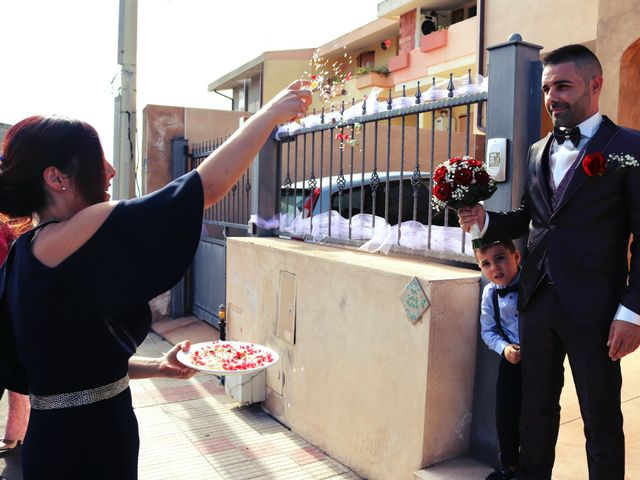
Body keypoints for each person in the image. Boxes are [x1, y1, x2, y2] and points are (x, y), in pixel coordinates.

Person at [0, 80, 310, 479]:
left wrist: (158, 367)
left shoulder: (29, 253)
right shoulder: (75, 232)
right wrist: (268, 116)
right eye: (97, 161)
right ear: (57, 179)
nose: (110, 171)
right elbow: (205, 187)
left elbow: (77, 368)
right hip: (84, 446)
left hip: (70, 437)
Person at [458, 44, 640, 480]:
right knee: (534, 411)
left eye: (562, 86)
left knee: (600, 416)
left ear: (595, 85)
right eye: (545, 88)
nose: (551, 97)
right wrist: (486, 219)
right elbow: (531, 216)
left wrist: (631, 311)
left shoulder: (628, 147)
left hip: (597, 309)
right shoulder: (539, 149)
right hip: (536, 301)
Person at [476, 238, 522, 480]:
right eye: (486, 264)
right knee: (505, 415)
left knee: (535, 416)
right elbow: (488, 331)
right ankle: (510, 467)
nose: (494, 268)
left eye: (500, 258)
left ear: (516, 257)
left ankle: (534, 468)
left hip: (541, 361)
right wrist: (504, 348)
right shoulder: (489, 293)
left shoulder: (533, 283)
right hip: (510, 362)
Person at [0, 219, 31, 453]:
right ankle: (16, 435)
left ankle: (17, 434)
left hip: (7, 318)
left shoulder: (9, 226)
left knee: (16, 382)